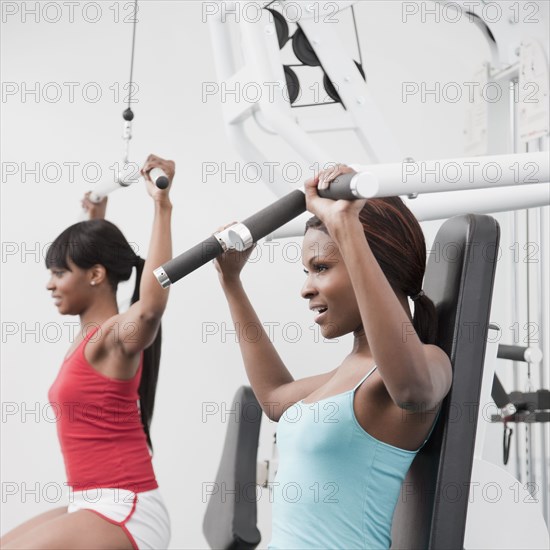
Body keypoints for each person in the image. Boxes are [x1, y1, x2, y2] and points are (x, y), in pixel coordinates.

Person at [214, 164, 453, 549]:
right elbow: (275, 397)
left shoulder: (423, 365)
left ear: (370, 265)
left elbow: (412, 389)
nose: (306, 289)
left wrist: (346, 226)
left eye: (321, 268)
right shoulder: (349, 371)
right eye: (308, 271)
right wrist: (232, 282)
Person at [1, 154, 175, 550]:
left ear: (95, 275)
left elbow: (150, 306)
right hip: (89, 500)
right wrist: (96, 218)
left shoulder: (114, 338)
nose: (50, 284)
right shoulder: (88, 338)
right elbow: (102, 264)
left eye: (60, 273)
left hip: (125, 506)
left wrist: (161, 205)